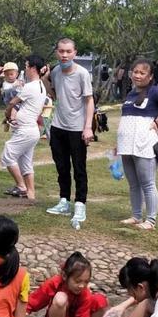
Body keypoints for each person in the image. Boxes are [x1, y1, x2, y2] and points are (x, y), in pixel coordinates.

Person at [116, 58, 158, 231]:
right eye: (135, 72)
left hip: (144, 144)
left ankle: (150, 220)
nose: (137, 76)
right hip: (126, 145)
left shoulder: (154, 92)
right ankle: (136, 216)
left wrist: (157, 121)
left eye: (142, 73)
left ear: (150, 76)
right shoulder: (131, 94)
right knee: (133, 184)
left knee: (148, 183)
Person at [43, 38, 94, 230]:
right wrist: (44, 78)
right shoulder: (56, 71)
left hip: (77, 128)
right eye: (61, 51)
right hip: (58, 126)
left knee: (79, 168)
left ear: (74, 53)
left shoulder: (82, 74)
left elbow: (89, 101)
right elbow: (54, 94)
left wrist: (87, 127)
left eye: (68, 51)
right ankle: (64, 200)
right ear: (57, 52)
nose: (65, 55)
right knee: (62, 167)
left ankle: (80, 204)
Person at [26, 251, 108, 317]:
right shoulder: (54, 283)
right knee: (60, 298)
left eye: (86, 282)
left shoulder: (85, 293)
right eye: (78, 281)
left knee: (101, 300)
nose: (82, 286)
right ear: (64, 276)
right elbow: (32, 303)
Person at [0, 55, 47, 200]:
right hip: (30, 130)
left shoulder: (30, 86)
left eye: (26, 66)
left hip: (26, 130)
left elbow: (12, 103)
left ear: (33, 68)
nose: (25, 69)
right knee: (25, 163)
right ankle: (31, 194)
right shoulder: (41, 86)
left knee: (8, 155)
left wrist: (7, 114)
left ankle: (21, 187)